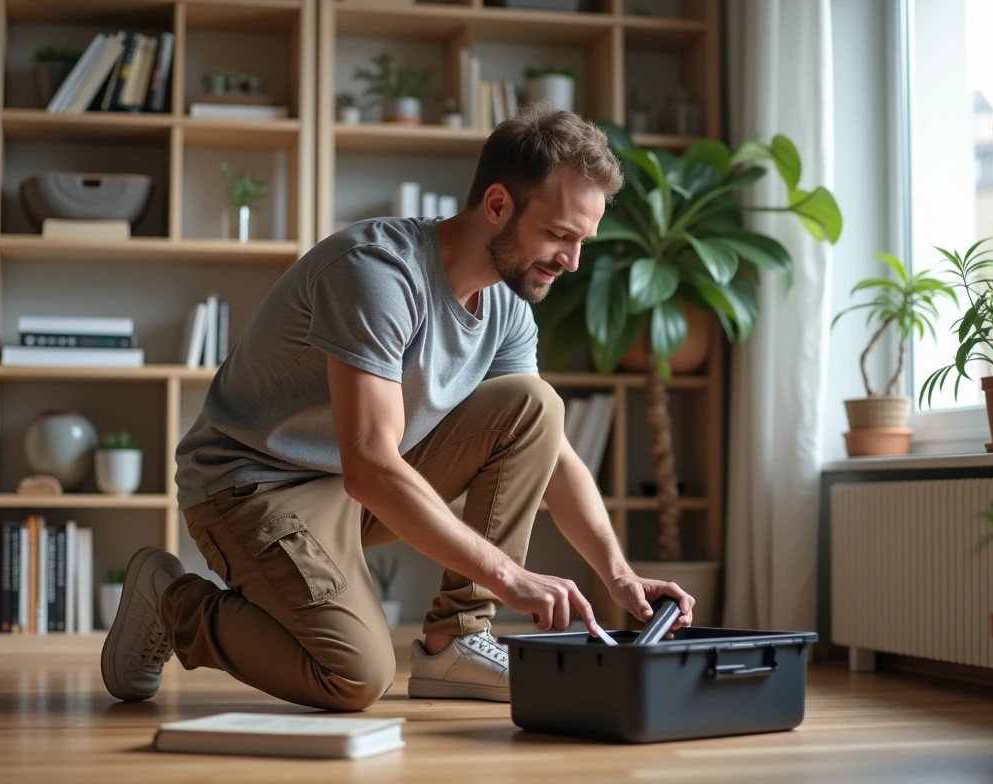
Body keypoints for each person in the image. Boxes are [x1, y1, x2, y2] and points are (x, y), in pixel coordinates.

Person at [100, 103, 695, 711]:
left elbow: (552, 454)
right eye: (560, 235)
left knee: (535, 406)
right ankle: (172, 600)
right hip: (253, 486)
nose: (572, 261)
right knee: (353, 676)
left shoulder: (509, 303)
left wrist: (621, 576)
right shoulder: (378, 273)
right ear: (497, 206)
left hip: (352, 490)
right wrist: (512, 578)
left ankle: (456, 640)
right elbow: (369, 464)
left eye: (582, 241)